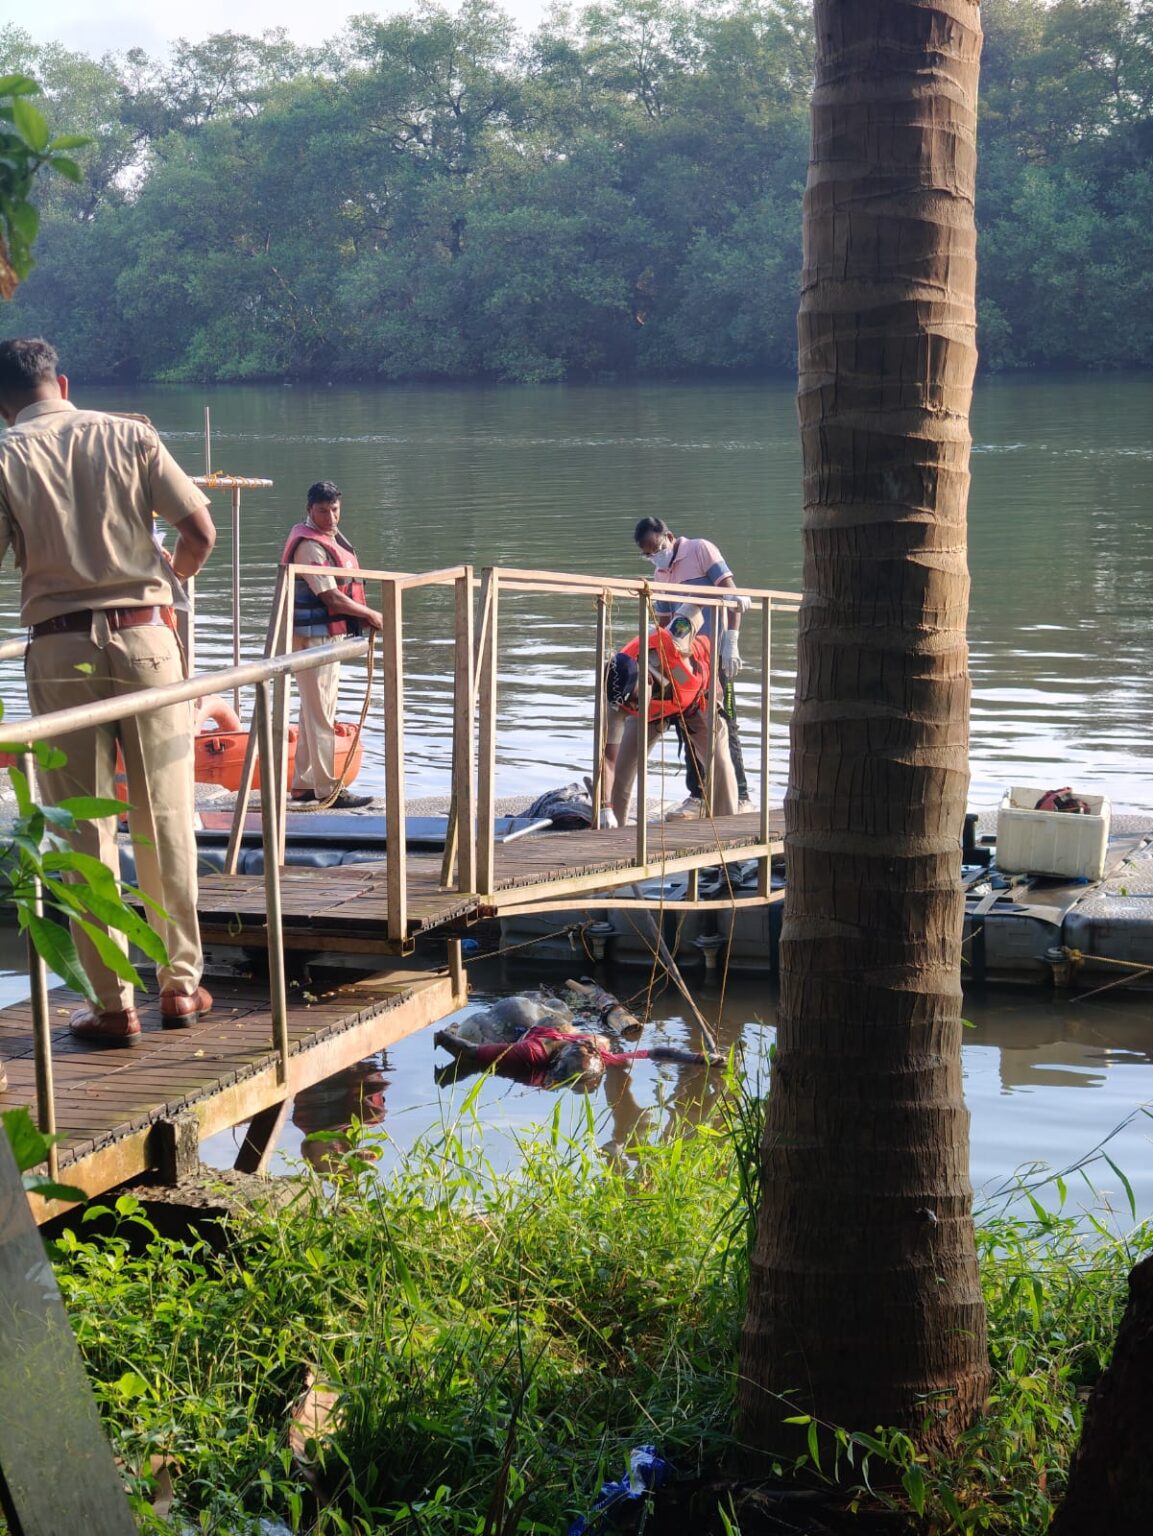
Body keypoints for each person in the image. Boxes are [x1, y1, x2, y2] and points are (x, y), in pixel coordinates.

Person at [0, 337, 217, 1046]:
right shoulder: (131, 434)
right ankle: (181, 988)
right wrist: (169, 580)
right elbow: (200, 530)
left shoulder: (5, 456)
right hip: (148, 636)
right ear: (62, 380)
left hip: (60, 647)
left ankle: (112, 1005)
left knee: (83, 828)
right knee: (166, 815)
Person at [633, 516, 752, 817]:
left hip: (713, 654)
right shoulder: (661, 573)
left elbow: (732, 593)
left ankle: (740, 796)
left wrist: (732, 641)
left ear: (669, 537)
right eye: (646, 554)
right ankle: (698, 795)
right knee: (685, 723)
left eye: (655, 548)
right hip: (683, 663)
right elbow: (663, 622)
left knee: (723, 725)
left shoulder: (701, 550)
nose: (653, 556)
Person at [281, 481, 383, 810]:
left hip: (325, 635)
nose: (331, 517)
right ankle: (328, 790)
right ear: (309, 509)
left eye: (335, 509)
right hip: (313, 639)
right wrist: (370, 613)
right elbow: (329, 596)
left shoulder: (330, 539)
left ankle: (304, 783)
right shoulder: (310, 546)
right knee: (321, 712)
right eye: (323, 511)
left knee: (314, 710)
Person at [602, 612, 738, 829]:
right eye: (629, 706)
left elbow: (696, 604)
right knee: (622, 768)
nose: (633, 708)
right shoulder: (617, 702)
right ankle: (613, 833)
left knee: (720, 763)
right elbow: (608, 759)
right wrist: (604, 807)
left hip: (697, 699)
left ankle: (729, 834)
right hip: (655, 713)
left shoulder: (674, 638)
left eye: (635, 701)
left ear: (647, 679)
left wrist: (731, 636)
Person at [433, 1023, 721, 1093]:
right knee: (475, 1060)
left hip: (533, 1041)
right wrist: (696, 1057)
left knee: (476, 1060)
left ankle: (444, 1046)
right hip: (549, 1038)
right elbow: (654, 1053)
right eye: (589, 1048)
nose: (590, 1047)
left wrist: (445, 1036)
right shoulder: (599, 1054)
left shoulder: (532, 1055)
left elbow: (470, 1054)